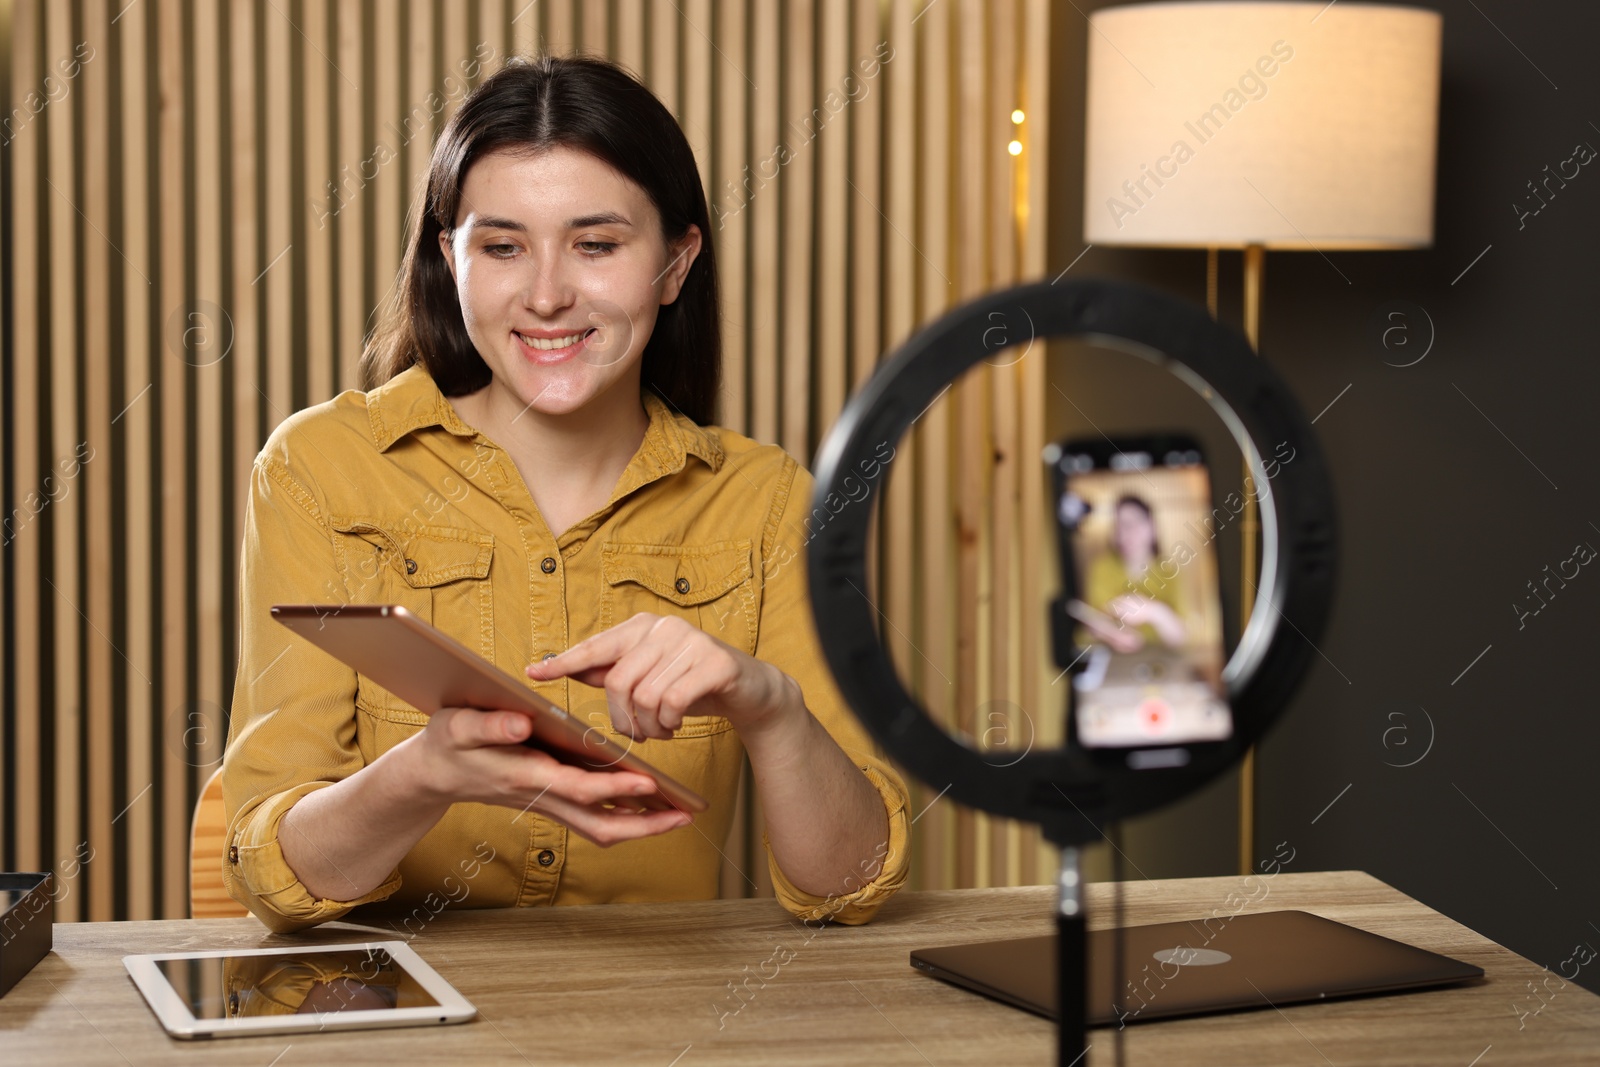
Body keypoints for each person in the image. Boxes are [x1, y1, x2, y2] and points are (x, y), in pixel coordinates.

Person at [221, 55, 909, 935]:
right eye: (502, 247)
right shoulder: (319, 469)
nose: (546, 295)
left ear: (674, 262)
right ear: (451, 260)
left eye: (596, 244)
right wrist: (422, 772)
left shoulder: (768, 501)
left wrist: (768, 706)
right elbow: (271, 871)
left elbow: (847, 885)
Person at [1078, 494, 1187, 653]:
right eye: (1120, 525)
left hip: (1160, 661)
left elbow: (1180, 637)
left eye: (1134, 523)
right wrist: (1112, 635)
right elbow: (1091, 623)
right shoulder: (1102, 568)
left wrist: (1154, 611)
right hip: (1112, 658)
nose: (1125, 533)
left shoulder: (1171, 572)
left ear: (1152, 527)